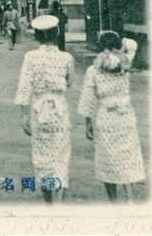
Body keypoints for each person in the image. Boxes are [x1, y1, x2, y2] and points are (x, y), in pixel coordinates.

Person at [78, 31, 145, 202]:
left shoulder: (93, 70)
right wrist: (120, 47)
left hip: (105, 117)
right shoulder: (125, 63)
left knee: (108, 159)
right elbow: (132, 44)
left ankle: (113, 202)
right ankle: (130, 199)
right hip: (125, 116)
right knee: (126, 157)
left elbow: (87, 99)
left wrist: (88, 123)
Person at [14, 14, 74, 204]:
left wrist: (23, 116)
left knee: (42, 157)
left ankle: (49, 204)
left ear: (37, 35)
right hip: (59, 110)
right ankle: (60, 204)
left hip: (38, 111)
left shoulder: (30, 57)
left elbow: (24, 87)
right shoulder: (67, 58)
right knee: (61, 156)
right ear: (56, 34)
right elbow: (69, 82)